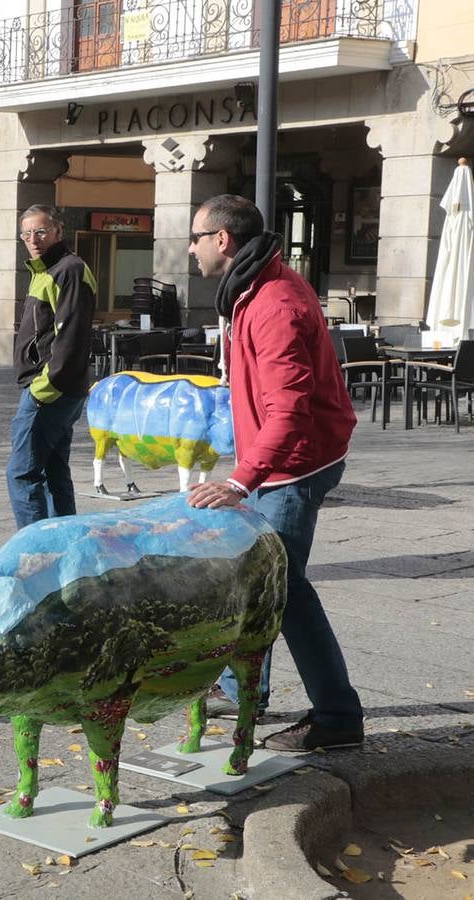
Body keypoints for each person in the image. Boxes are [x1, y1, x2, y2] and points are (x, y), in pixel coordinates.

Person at [186, 193, 363, 753]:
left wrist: (243, 479)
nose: (189, 248)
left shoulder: (273, 303)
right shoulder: (253, 289)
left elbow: (289, 410)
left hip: (295, 464)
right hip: (278, 459)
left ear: (222, 240)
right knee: (257, 579)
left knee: (284, 588)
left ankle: (337, 716)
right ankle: (246, 690)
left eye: (194, 237)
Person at [5, 205, 97, 528]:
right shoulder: (45, 270)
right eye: (27, 233)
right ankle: (64, 547)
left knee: (22, 472)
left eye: (41, 231)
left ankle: (36, 551)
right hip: (58, 388)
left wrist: (42, 390)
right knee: (53, 471)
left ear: (58, 231)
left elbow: (70, 338)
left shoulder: (68, 269)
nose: (34, 239)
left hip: (51, 390)